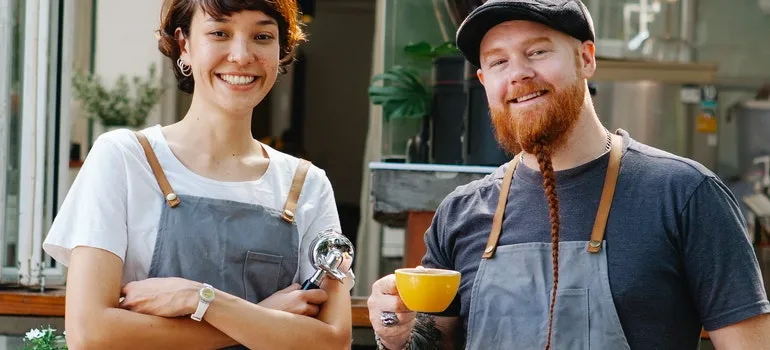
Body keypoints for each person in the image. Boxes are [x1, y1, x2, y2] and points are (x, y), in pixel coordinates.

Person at [367, 0, 770, 349]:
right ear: (484, 81)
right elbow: (433, 344)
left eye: (538, 51)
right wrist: (396, 331)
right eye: (498, 61)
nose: (518, 73)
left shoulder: (685, 195)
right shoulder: (460, 213)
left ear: (586, 58)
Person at [42, 0, 354, 349]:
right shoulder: (125, 158)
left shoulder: (307, 186)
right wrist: (262, 316)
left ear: (281, 51)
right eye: (220, 33)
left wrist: (199, 299)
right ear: (184, 45)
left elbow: (333, 341)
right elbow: (90, 334)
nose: (241, 55)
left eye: (262, 36)